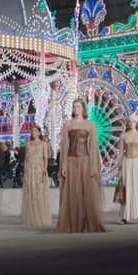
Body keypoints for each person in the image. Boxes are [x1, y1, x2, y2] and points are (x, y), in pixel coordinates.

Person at [55, 98, 105, 233]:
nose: (75, 109)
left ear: (83, 109)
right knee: (71, 192)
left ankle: (87, 223)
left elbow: (93, 148)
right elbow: (65, 146)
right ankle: (71, 224)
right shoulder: (68, 125)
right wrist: (64, 165)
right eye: (74, 106)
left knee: (86, 192)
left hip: (85, 160)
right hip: (71, 159)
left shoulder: (90, 125)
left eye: (78, 106)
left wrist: (93, 166)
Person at [118, 116, 138, 223]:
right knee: (127, 187)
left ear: (137, 123)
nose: (132, 123)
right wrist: (119, 168)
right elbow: (120, 153)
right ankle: (125, 216)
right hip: (126, 162)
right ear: (128, 123)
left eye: (134, 122)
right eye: (130, 122)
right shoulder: (123, 136)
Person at [21, 125, 51, 227]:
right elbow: (26, 158)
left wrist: (44, 170)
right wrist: (25, 171)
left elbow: (45, 158)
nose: (33, 133)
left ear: (39, 133)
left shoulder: (44, 144)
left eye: (35, 131)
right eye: (32, 131)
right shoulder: (28, 144)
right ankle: (31, 217)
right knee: (31, 192)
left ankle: (41, 217)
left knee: (39, 192)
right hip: (30, 170)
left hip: (39, 169)